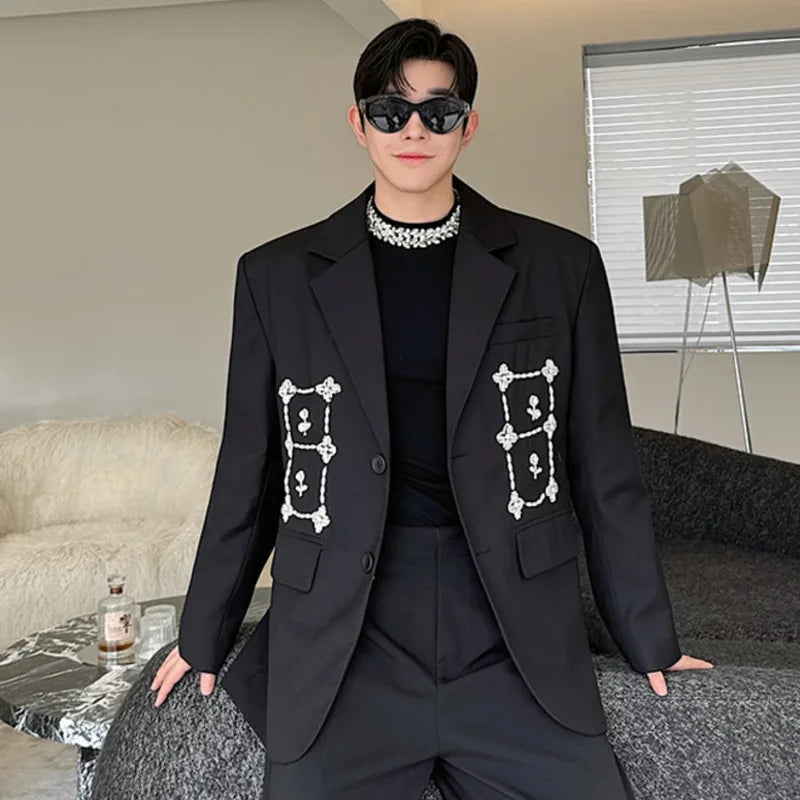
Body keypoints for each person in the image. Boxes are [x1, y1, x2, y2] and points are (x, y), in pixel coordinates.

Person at [150, 17, 713, 800]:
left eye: (438, 112)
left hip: (510, 628)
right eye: (390, 111)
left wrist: (650, 637)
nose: (413, 131)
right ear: (359, 124)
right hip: (348, 632)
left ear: (467, 126)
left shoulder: (560, 267)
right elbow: (250, 463)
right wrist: (204, 631)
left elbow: (603, 466)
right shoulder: (276, 276)